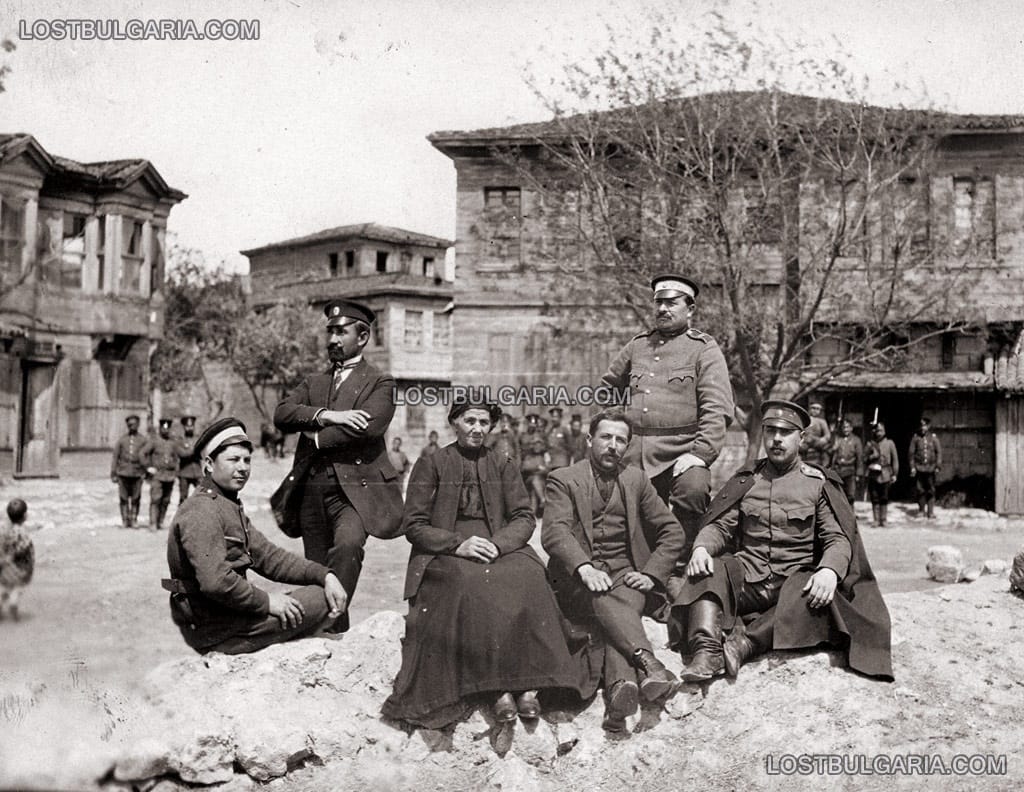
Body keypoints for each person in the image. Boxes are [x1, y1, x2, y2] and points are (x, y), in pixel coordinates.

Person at [382, 399, 585, 728]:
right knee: (473, 585)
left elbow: (523, 516)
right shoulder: (431, 463)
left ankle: (532, 686)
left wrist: (498, 543)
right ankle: (497, 690)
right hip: (445, 550)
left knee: (532, 575)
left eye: (484, 423)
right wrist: (458, 544)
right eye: (470, 421)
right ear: (455, 423)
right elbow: (415, 525)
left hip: (496, 543)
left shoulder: (503, 463)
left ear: (491, 428)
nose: (477, 428)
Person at [670, 400, 892, 683]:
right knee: (709, 569)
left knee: (821, 596)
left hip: (792, 585)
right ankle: (708, 651)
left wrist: (829, 570)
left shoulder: (817, 483)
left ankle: (746, 644)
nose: (776, 439)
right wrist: (702, 547)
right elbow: (721, 527)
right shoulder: (747, 480)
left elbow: (836, 537)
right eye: (771, 431)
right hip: (748, 580)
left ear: (801, 438)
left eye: (785, 432)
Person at [542, 409, 685, 732]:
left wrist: (650, 573)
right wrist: (583, 567)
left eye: (621, 440)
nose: (613, 446)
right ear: (590, 440)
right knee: (609, 604)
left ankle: (621, 696)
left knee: (616, 607)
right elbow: (555, 532)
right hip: (576, 581)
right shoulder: (563, 479)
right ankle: (650, 665)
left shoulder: (636, 480)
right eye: (606, 437)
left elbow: (672, 531)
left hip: (626, 575)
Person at [271, 299, 405, 634]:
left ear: (362, 337)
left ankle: (328, 624)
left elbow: (368, 427)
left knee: (347, 547)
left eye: (340, 332)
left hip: (356, 494)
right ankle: (332, 630)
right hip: (312, 488)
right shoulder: (313, 382)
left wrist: (313, 437)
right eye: (330, 331)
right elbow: (282, 414)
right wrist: (326, 415)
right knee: (317, 567)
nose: (332, 339)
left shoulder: (380, 382)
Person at [163, 418, 347, 654]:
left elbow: (270, 558)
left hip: (226, 614)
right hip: (214, 624)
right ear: (209, 464)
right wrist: (268, 602)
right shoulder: (202, 510)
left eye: (247, 460)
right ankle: (230, 646)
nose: (242, 467)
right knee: (320, 600)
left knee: (322, 591)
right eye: (233, 460)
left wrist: (324, 574)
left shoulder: (225, 504)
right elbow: (215, 582)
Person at [600, 274, 734, 561]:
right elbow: (607, 389)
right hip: (634, 451)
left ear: (691, 308)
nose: (662, 309)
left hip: (682, 451)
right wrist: (612, 429)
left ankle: (681, 562)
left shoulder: (703, 348)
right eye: (659, 302)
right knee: (612, 502)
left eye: (671, 303)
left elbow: (717, 407)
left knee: (693, 490)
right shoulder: (638, 346)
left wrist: (701, 454)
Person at [0, 499, 36, 621]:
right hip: (20, 567)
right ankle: (13, 607)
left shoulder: (6, 530)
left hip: (6, 567)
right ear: (25, 515)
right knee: (16, 588)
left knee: (5, 587)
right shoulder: (23, 533)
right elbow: (24, 548)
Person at [141, 418, 180, 531]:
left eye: (167, 429)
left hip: (170, 476)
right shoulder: (154, 441)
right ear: (160, 428)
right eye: (163, 428)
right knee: (156, 499)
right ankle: (153, 523)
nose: (165, 431)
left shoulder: (173, 443)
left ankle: (160, 521)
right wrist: (148, 467)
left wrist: (176, 471)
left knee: (166, 500)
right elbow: (143, 454)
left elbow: (176, 458)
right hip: (158, 475)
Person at [110, 414, 146, 529]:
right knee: (123, 498)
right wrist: (113, 473)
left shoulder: (143, 440)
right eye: (130, 425)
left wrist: (146, 472)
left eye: (134, 424)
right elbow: (115, 457)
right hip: (123, 474)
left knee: (136, 498)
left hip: (137, 473)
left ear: (138, 425)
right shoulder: (122, 440)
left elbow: (147, 457)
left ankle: (134, 519)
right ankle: (125, 520)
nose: (132, 426)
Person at [865, 422, 899, 527]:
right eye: (877, 431)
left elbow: (895, 460)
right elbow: (864, 458)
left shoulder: (890, 443)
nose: (879, 433)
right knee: (874, 497)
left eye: (881, 431)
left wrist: (895, 473)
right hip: (873, 474)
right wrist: (872, 456)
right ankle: (876, 519)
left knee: (884, 497)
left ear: (884, 431)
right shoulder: (870, 444)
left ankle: (883, 519)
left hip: (885, 473)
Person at [909, 417, 942, 519]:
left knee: (931, 490)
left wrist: (938, 466)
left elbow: (939, 453)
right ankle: (921, 510)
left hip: (931, 468)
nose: (922, 428)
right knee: (920, 489)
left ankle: (930, 512)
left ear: (928, 426)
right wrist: (912, 467)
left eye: (924, 425)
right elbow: (911, 454)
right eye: (921, 426)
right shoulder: (916, 438)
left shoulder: (933, 438)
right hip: (919, 468)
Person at [519, 414, 548, 515]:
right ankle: (542, 500)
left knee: (535, 481)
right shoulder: (522, 436)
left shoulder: (540, 435)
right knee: (534, 482)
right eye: (530, 424)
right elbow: (520, 451)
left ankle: (533, 513)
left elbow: (543, 448)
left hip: (539, 464)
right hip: (527, 466)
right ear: (527, 424)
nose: (532, 426)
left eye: (534, 424)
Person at [830, 418, 863, 505]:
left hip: (850, 471)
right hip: (838, 470)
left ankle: (850, 515)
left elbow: (859, 458)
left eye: (848, 427)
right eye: (844, 427)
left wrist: (858, 474)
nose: (846, 429)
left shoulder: (856, 440)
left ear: (851, 428)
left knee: (850, 496)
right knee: (838, 494)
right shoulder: (838, 439)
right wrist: (834, 448)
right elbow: (830, 454)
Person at [176, 415, 202, 505]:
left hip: (197, 472)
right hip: (184, 472)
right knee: (183, 498)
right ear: (184, 427)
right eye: (187, 426)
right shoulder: (180, 440)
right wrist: (195, 450)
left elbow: (204, 452)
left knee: (202, 496)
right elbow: (181, 454)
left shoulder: (199, 439)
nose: (189, 428)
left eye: (191, 426)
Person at [800, 401, 832, 466]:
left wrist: (822, 441)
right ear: (809, 409)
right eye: (813, 408)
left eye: (818, 409)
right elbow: (799, 431)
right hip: (804, 447)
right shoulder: (804, 419)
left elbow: (827, 435)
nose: (815, 410)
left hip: (816, 447)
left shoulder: (822, 421)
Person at [545, 406, 571, 471]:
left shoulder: (564, 430)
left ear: (560, 418)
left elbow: (570, 447)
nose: (554, 419)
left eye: (556, 417)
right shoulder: (548, 431)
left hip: (562, 463)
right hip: (551, 463)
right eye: (553, 417)